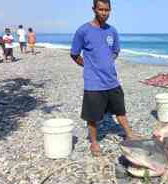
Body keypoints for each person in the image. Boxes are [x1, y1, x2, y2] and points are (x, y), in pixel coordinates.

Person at [70, 0, 141, 156]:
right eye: (101, 9)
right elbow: (74, 54)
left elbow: (115, 51)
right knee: (92, 116)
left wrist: (108, 61)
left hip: (112, 80)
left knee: (120, 110)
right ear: (94, 9)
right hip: (93, 83)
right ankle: (94, 142)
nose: (104, 13)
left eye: (107, 10)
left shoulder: (112, 31)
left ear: (110, 10)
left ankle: (128, 133)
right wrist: (88, 66)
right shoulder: (83, 31)